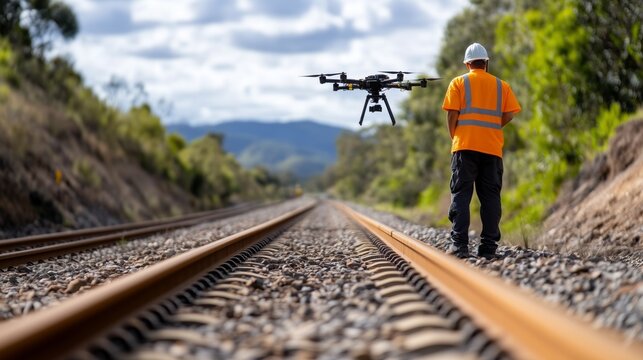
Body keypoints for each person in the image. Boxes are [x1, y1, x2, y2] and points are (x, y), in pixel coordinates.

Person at [441, 43, 521, 259]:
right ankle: (488, 248)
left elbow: (451, 114)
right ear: (486, 62)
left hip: (464, 146)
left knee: (461, 194)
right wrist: (492, 128)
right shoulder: (501, 86)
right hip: (492, 148)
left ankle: (459, 246)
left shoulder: (458, 82)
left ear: (467, 64)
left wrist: (455, 136)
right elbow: (510, 114)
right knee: (490, 198)